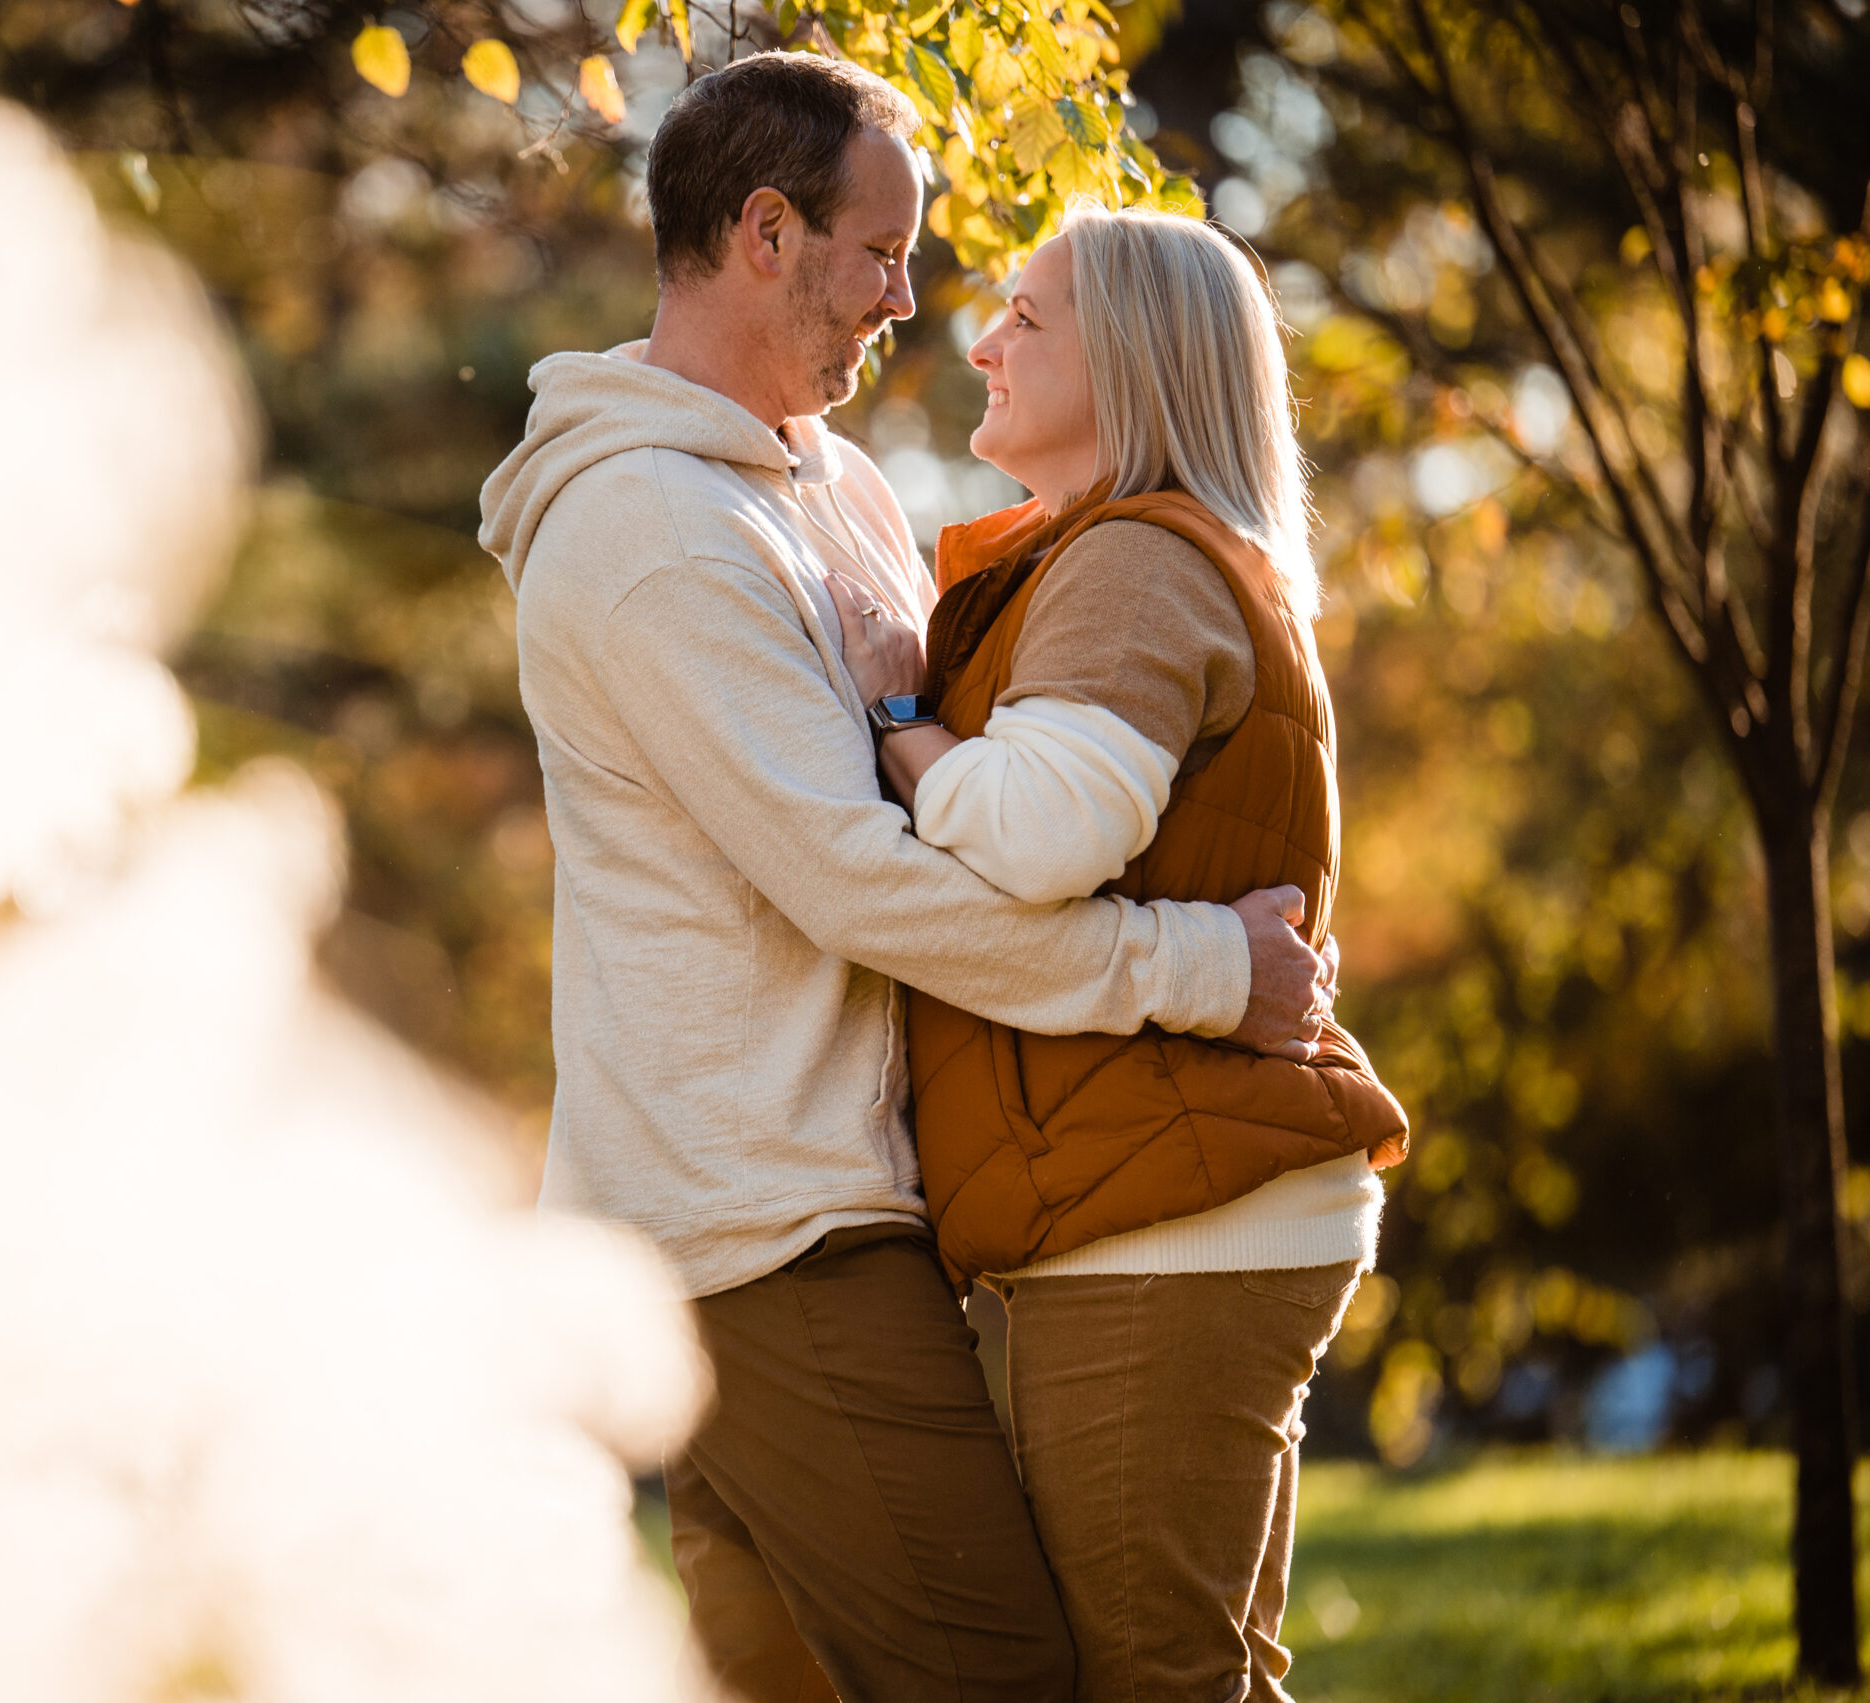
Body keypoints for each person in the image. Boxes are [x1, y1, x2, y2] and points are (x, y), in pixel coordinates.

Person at [476, 54, 1336, 1703]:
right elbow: (863, 880)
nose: (908, 296)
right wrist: (1203, 972)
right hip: (764, 1223)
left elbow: (936, 776)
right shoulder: (652, 531)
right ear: (768, 233)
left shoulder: (835, 488)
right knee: (1000, 1677)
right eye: (882, 252)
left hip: (828, 1203)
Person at [826, 203, 1410, 1703]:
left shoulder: (1136, 562)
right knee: (1202, 1670)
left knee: (1154, 1681)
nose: (981, 340)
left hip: (1168, 1217)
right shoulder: (1118, 558)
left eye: (1029, 316)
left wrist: (904, 729)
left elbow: (1031, 834)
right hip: (1167, 1199)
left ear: (1136, 361)